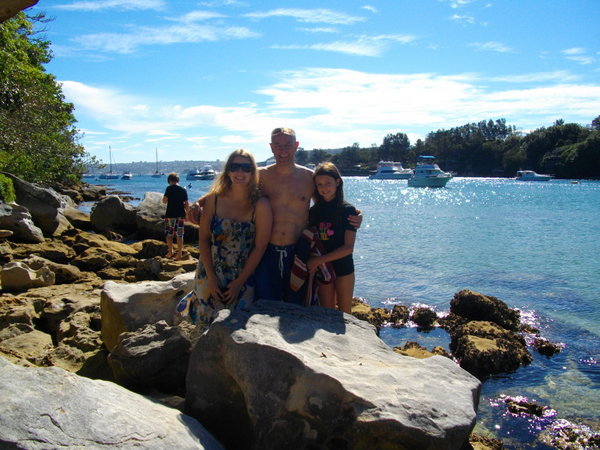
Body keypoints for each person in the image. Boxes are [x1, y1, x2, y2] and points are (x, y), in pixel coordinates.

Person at [189, 127, 362, 305]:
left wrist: (353, 215)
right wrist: (199, 202)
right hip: (266, 251)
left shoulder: (309, 178)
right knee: (265, 305)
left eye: (287, 145)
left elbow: (328, 203)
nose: (283, 150)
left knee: (297, 306)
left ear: (296, 146)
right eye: (278, 145)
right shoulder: (260, 175)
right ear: (271, 147)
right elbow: (230, 190)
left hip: (298, 252)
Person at [189, 149, 272, 324]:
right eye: (235, 167)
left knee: (237, 326)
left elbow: (260, 247)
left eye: (245, 168)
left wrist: (239, 282)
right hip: (209, 272)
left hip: (242, 276)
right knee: (203, 323)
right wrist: (211, 278)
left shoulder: (260, 205)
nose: (240, 172)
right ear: (228, 170)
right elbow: (203, 238)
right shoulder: (214, 200)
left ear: (253, 172)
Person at [306, 162, 358, 313]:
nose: (324, 188)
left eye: (328, 183)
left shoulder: (348, 210)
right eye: (319, 184)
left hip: (344, 268)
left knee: (345, 314)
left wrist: (318, 260)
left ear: (337, 182)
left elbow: (348, 248)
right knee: (327, 314)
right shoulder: (314, 211)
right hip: (323, 270)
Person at [162, 172, 189, 260]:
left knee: (169, 235)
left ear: (169, 180)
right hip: (180, 215)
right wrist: (187, 214)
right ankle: (179, 254)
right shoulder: (183, 190)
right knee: (180, 235)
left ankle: (171, 251)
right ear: (178, 180)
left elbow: (164, 201)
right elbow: (186, 204)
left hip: (170, 215)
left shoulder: (169, 189)